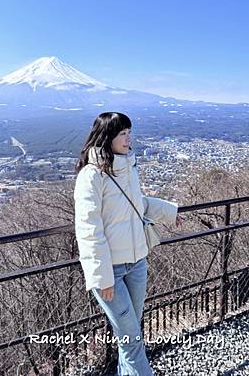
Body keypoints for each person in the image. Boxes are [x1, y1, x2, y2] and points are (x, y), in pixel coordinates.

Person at [73, 112, 182, 376]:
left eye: (129, 132)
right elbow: (89, 229)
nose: (128, 138)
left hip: (137, 263)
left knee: (130, 333)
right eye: (122, 134)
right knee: (131, 337)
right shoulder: (91, 176)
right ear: (107, 137)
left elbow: (137, 204)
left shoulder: (127, 166)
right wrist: (103, 277)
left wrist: (169, 211)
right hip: (112, 271)